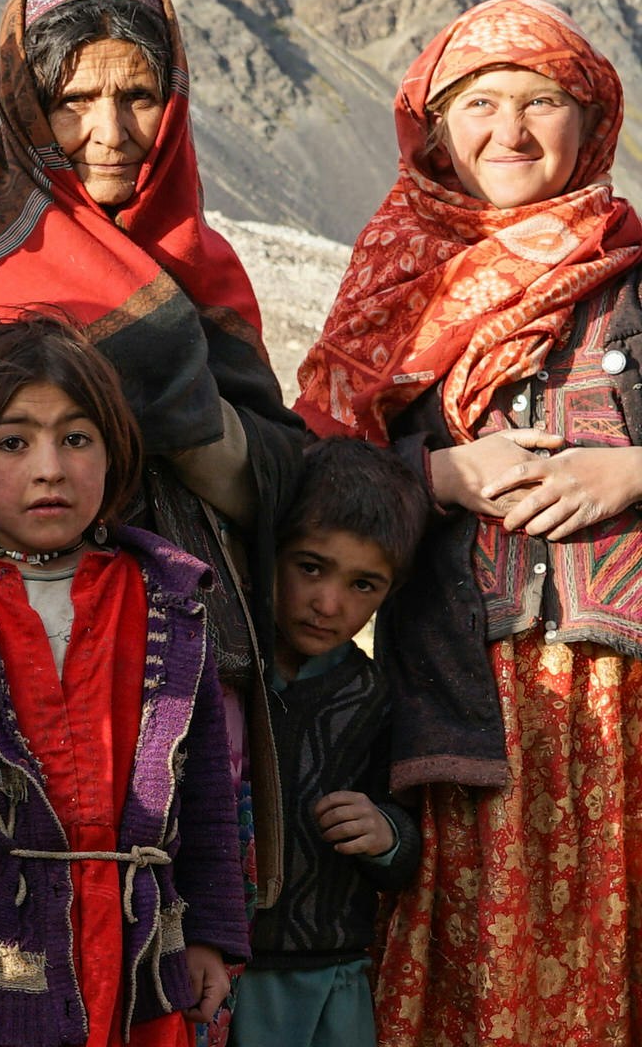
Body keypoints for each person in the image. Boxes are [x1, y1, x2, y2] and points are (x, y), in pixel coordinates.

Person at [0, 0, 303, 1043]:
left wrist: (190, 421)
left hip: (190, 651)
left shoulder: (201, 262)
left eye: (139, 94)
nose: (110, 127)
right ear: (24, 104)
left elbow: (266, 473)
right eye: (73, 98)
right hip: (10, 665)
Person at [294, 0, 642, 1046]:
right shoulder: (397, 284)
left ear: (595, 124)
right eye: (479, 104)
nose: (511, 132)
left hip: (621, 716)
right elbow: (320, 475)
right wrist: (439, 477)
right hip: (458, 708)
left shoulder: (630, 274)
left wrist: (630, 474)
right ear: (432, 128)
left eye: (542, 101)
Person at [0, 316, 248, 1047]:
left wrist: (213, 935)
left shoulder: (170, 605)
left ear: (113, 453)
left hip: (141, 963)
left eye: (76, 439)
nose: (50, 468)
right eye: (13, 443)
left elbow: (205, 796)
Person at [227, 438, 425, 1047]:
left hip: (329, 977)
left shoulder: (375, 697)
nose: (329, 603)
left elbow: (410, 844)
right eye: (310, 567)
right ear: (272, 553)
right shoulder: (228, 674)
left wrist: (385, 834)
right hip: (223, 971)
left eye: (365, 585)